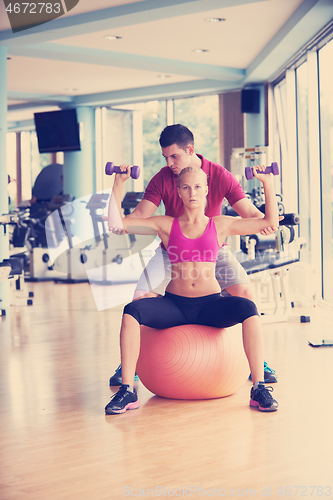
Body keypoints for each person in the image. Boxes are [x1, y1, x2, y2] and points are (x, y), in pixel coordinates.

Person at [109, 124, 278, 386]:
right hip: (171, 248)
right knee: (140, 299)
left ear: (190, 150)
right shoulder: (163, 178)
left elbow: (252, 215)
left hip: (212, 247)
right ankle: (133, 364)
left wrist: (265, 221)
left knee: (246, 295)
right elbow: (140, 217)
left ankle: (258, 362)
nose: (169, 163)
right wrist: (117, 190)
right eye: (165, 157)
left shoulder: (219, 176)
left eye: (174, 156)